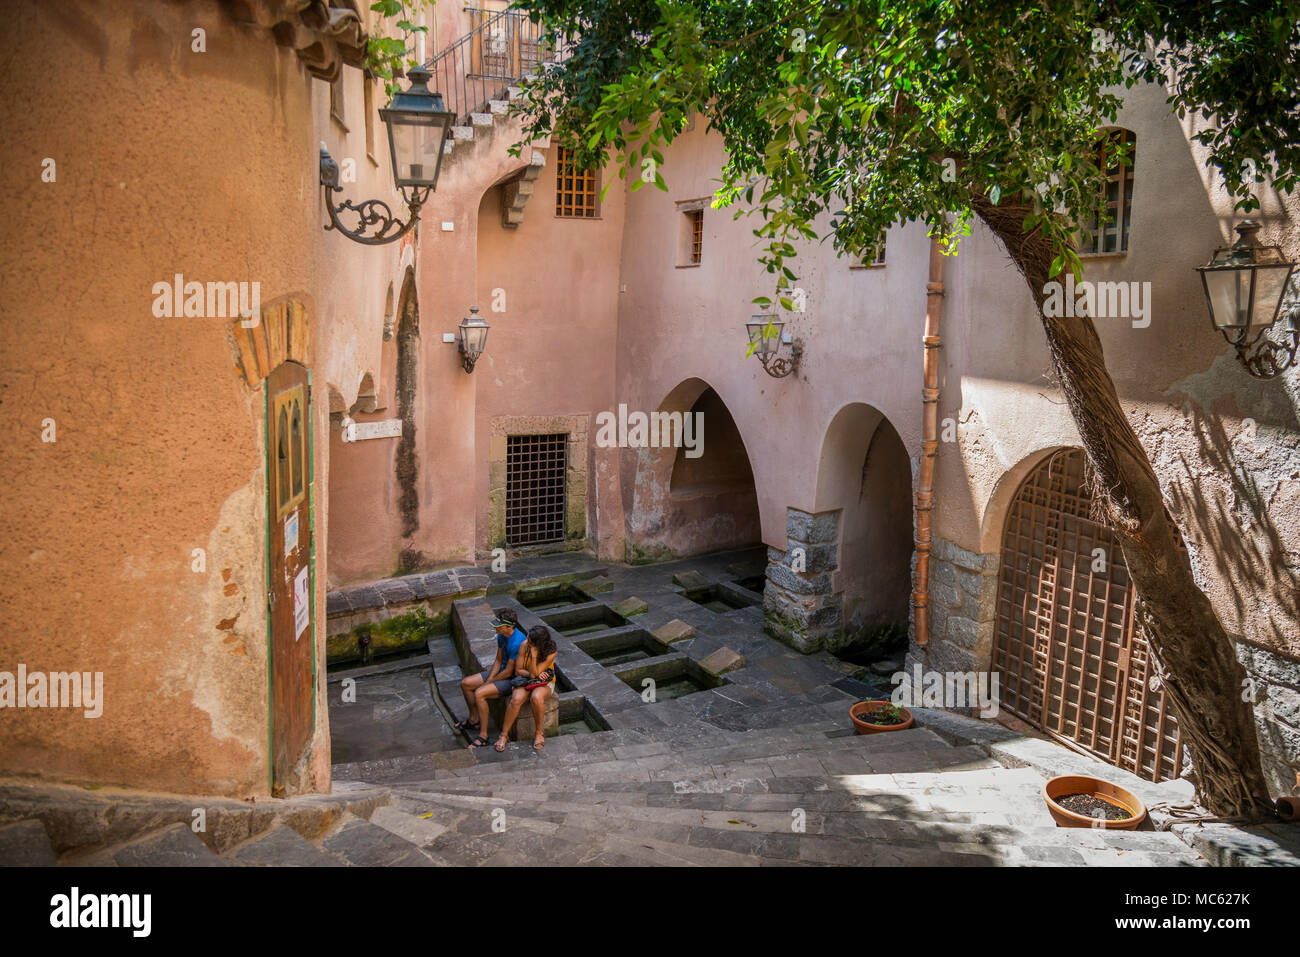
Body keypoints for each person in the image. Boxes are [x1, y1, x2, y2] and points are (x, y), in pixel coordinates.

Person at [455, 608, 527, 749]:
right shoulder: (501, 635)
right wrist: (490, 679)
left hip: (513, 679)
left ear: (509, 627)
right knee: (466, 683)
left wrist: (489, 683)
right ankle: (474, 719)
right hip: (501, 672)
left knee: (480, 693)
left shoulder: (518, 642)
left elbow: (508, 672)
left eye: (499, 625)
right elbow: (498, 661)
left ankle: (483, 736)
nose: (495, 627)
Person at [492, 625, 558, 753]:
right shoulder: (524, 645)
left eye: (530, 639)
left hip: (544, 682)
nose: (527, 639)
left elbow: (536, 674)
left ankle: (539, 733)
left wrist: (533, 656)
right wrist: (532, 674)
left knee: (536, 697)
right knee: (516, 699)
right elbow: (518, 670)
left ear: (538, 643)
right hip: (526, 679)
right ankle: (504, 735)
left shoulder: (551, 651)